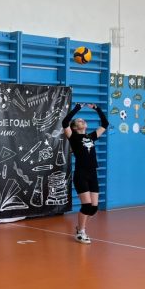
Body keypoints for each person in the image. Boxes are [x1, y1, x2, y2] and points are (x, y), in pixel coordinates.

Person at [61, 102, 109, 244]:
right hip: (81, 174)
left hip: (92, 173)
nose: (82, 121)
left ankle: (80, 228)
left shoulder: (91, 136)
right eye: (79, 121)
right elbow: (65, 122)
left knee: (93, 208)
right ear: (75, 127)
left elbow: (105, 124)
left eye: (83, 120)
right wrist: (77, 108)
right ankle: (81, 232)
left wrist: (97, 109)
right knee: (86, 205)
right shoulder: (73, 137)